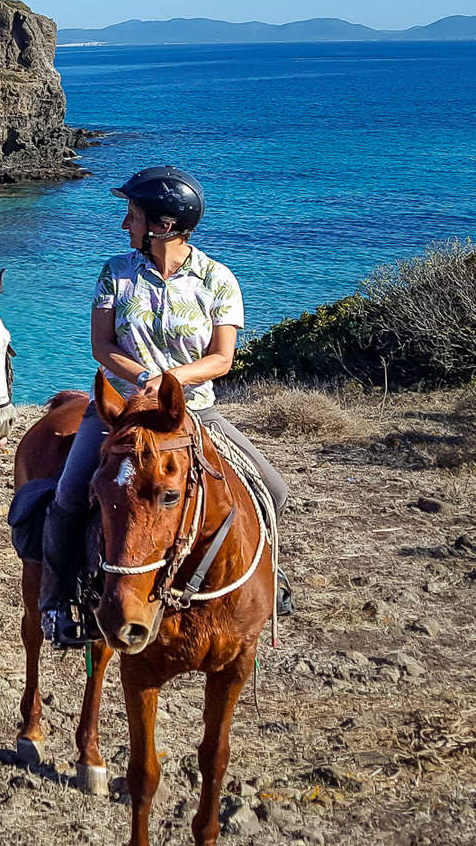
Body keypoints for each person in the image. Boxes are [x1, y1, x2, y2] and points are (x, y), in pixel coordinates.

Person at [39, 165, 292, 649]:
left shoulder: (218, 280)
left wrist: (171, 382)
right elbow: (101, 345)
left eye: (131, 215)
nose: (123, 225)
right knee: (69, 496)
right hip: (123, 411)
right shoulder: (115, 272)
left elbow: (221, 359)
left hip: (194, 412)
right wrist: (143, 381)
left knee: (273, 491)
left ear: (164, 225)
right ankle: (55, 604)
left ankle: (267, 582)